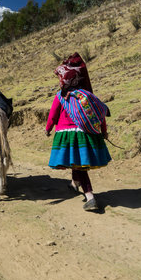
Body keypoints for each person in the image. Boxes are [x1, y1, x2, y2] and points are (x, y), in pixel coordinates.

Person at [45, 52, 111, 211]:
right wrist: (103, 131)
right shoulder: (87, 95)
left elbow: (53, 115)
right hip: (87, 133)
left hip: (68, 135)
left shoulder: (61, 96)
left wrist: (48, 129)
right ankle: (74, 184)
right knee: (77, 162)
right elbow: (99, 115)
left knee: (79, 165)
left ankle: (90, 197)